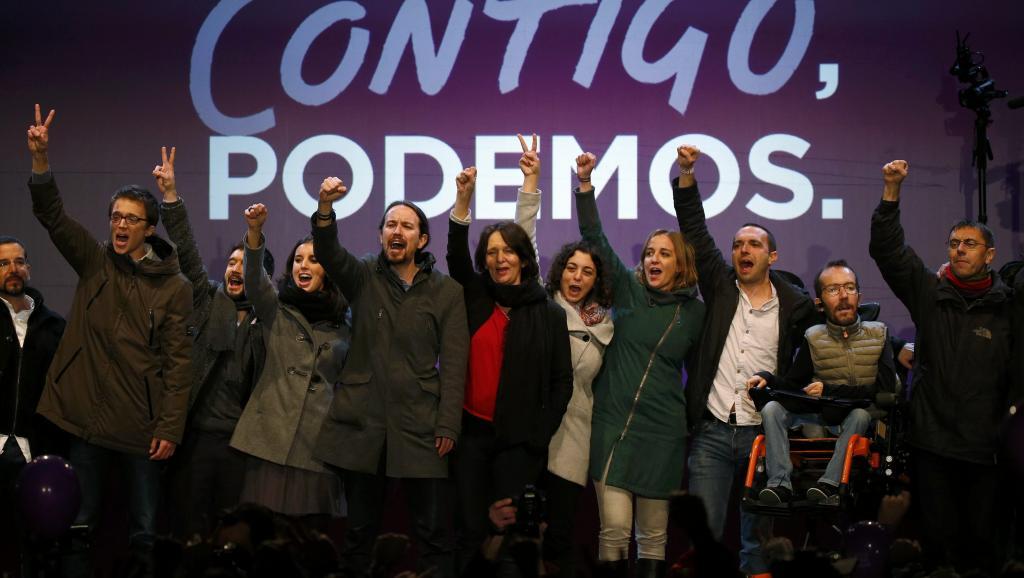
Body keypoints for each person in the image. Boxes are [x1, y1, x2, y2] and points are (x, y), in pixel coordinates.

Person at [27, 104, 193, 577]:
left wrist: (169, 428)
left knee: (145, 533)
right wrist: (40, 159)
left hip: (141, 428)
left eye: (131, 219)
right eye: (116, 217)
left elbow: (179, 363)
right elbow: (53, 216)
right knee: (78, 527)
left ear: (149, 229)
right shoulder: (95, 260)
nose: (120, 225)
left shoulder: (174, 286)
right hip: (88, 424)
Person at [869, 159, 1023, 574]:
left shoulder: (1009, 308)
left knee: (983, 552)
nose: (959, 249)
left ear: (990, 254)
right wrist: (891, 192)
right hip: (933, 443)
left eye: (970, 243)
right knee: (938, 551)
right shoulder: (930, 294)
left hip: (986, 449)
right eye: (954, 243)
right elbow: (888, 252)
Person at [311, 178, 469, 578]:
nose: (397, 231)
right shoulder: (363, 275)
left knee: (434, 535)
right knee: (358, 535)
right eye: (390, 225)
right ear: (381, 235)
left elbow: (455, 364)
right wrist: (325, 209)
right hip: (365, 423)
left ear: (422, 240)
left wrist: (448, 424)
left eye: (407, 226)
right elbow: (328, 253)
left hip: (421, 425)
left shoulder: (447, 292)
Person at [673, 145, 817, 575]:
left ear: (772, 257)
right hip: (712, 432)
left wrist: (902, 348)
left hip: (763, 435)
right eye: (737, 244)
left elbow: (834, 334)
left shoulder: (796, 305)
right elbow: (694, 229)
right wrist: (686, 174)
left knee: (758, 540)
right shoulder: (720, 287)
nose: (743, 250)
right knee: (706, 537)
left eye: (754, 244)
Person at [574, 149, 706, 578]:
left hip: (663, 434)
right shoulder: (628, 291)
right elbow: (595, 238)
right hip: (611, 426)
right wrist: (585, 185)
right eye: (650, 252)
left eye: (664, 254)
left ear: (681, 263)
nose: (653, 260)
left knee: (653, 537)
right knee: (613, 530)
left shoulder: (696, 313)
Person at [447, 165, 573, 573]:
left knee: (510, 537)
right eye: (491, 252)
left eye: (508, 251)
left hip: (520, 445)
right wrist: (463, 200)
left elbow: (562, 383)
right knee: (471, 530)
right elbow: (455, 255)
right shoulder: (476, 297)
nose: (500, 258)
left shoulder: (549, 313)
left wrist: (538, 437)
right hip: (471, 438)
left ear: (523, 257)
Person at [156, 147, 275, 541]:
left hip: (242, 445)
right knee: (190, 529)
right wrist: (170, 196)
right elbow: (186, 249)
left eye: (245, 264)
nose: (235, 269)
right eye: (231, 262)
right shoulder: (208, 300)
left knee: (234, 532)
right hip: (197, 439)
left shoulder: (269, 319)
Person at [514, 134, 615, 578]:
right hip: (528, 434)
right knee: (518, 539)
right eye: (571, 268)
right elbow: (523, 241)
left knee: (557, 541)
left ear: (596, 281)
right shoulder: (541, 303)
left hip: (572, 441)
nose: (577, 276)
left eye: (587, 272)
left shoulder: (606, 324)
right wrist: (531, 182)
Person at [229, 202, 349, 527]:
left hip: (317, 445)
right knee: (263, 535)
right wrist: (255, 231)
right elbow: (254, 280)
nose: (303, 265)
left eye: (313, 260)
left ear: (329, 270)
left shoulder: (346, 323)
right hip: (271, 442)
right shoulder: (276, 308)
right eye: (298, 259)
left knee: (308, 537)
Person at [747, 260, 896, 505]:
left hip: (857, 418)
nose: (844, 296)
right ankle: (779, 484)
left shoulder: (879, 334)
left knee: (860, 414)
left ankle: (830, 484)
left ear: (859, 296)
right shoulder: (814, 337)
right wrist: (767, 377)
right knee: (772, 409)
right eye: (833, 290)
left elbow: (885, 390)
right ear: (819, 303)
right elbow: (794, 385)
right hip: (821, 414)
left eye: (849, 288)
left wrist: (830, 390)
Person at [0, 235, 66, 577]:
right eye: (3, 263)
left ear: (28, 267)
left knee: (36, 548)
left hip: (37, 452)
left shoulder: (55, 326)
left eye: (19, 262)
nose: (12, 269)